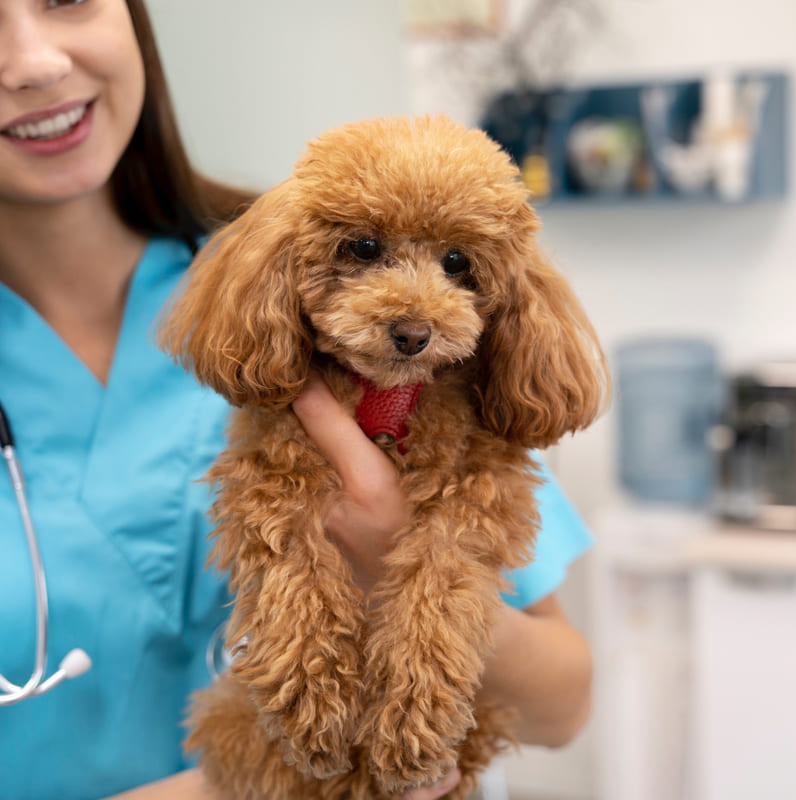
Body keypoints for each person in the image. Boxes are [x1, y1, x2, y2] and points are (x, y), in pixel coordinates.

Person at [0, 1, 594, 798]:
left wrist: (415, 585)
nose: (34, 61)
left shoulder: (386, 344)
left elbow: (563, 705)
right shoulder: (276, 283)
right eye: (366, 252)